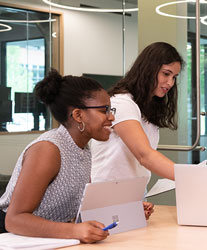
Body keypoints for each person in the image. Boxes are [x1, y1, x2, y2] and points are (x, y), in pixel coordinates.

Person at [0, 69, 113, 242]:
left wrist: (127, 209)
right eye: (103, 110)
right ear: (78, 115)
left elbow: (81, 205)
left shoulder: (83, 148)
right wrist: (74, 231)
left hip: (50, 239)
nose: (111, 117)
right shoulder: (48, 149)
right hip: (15, 239)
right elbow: (14, 220)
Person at [91, 42, 183, 183]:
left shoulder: (148, 107)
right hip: (106, 192)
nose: (170, 83)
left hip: (132, 193)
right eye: (166, 74)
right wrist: (188, 177)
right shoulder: (121, 102)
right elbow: (144, 155)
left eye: (174, 77)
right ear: (149, 69)